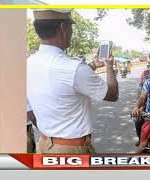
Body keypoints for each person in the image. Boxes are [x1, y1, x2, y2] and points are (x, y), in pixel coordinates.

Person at [27, 9, 119, 154]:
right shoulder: (73, 68)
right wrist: (109, 66)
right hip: (71, 149)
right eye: (71, 27)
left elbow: (29, 109)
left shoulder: (28, 63)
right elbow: (112, 94)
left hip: (44, 143)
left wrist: (52, 133)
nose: (71, 32)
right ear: (63, 28)